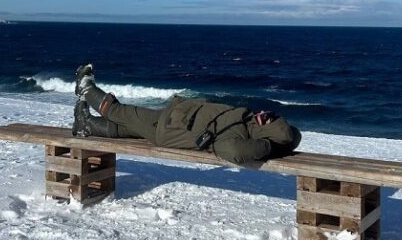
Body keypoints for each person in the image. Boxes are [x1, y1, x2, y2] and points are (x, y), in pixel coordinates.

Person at [71, 64, 301, 165]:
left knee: (119, 112)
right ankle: (86, 125)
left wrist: (266, 147)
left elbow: (231, 151)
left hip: (169, 130)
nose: (263, 114)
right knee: (128, 127)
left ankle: (85, 87)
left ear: (264, 135)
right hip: (175, 119)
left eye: (267, 119)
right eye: (269, 115)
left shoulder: (240, 138)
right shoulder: (247, 122)